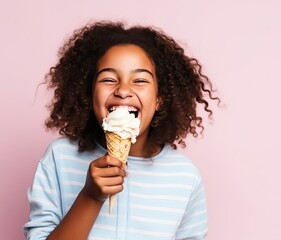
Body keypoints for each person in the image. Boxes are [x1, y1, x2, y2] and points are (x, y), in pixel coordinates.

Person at [24, 21, 220, 240]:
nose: (124, 90)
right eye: (108, 79)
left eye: (140, 80)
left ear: (159, 100)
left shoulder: (184, 176)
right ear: (89, 95)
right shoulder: (59, 158)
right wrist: (90, 196)